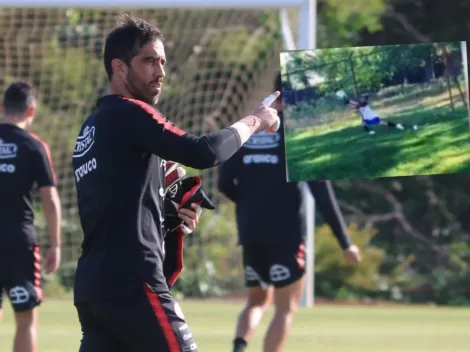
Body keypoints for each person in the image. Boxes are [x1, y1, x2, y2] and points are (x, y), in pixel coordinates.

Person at [72, 14, 280, 352]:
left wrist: (169, 217)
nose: (161, 71)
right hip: (132, 282)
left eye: (163, 61)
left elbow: (118, 207)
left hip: (94, 286)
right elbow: (202, 152)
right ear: (119, 68)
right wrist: (255, 119)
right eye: (149, 60)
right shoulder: (129, 112)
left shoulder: (91, 128)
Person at [218, 72, 362, 352]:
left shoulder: (247, 129)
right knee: (285, 308)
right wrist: (346, 242)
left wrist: (249, 204)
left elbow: (224, 183)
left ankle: (239, 346)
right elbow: (321, 193)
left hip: (251, 231)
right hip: (286, 234)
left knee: (256, 301)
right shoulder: (300, 134)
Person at [0, 81, 62, 352]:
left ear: (2, 108)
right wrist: (55, 244)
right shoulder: (35, 146)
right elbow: (49, 198)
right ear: (32, 111)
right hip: (19, 242)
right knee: (25, 320)